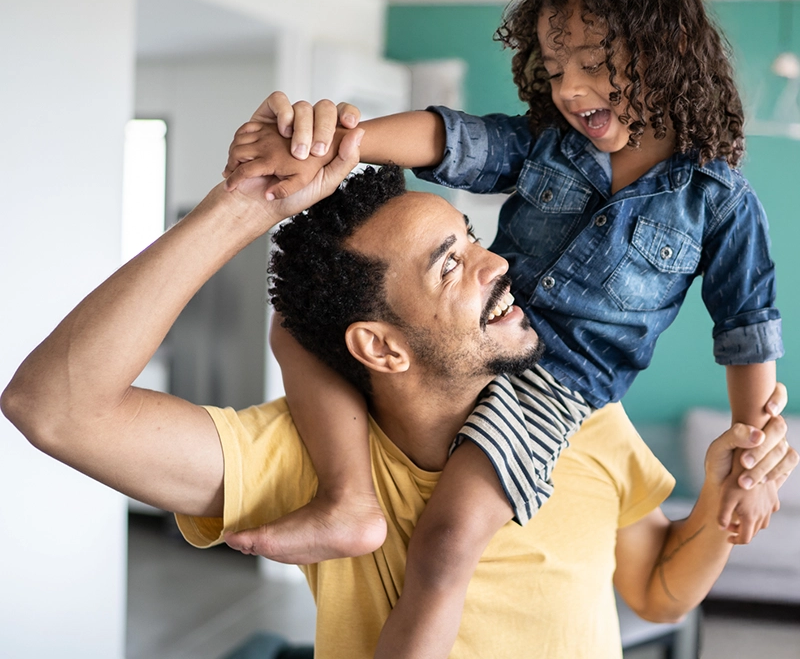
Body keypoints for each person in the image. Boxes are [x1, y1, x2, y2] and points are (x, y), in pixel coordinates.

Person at [222, 0, 785, 657]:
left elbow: (748, 329)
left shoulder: (719, 200)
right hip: (479, 336)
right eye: (554, 70)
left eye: (592, 63)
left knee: (447, 541)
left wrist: (748, 453)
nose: (570, 90)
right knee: (300, 324)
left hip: (552, 387)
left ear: (663, 50)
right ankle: (348, 498)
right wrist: (346, 144)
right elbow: (450, 139)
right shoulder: (550, 144)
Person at [1, 157, 795, 659]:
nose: (499, 263)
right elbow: (53, 408)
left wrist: (720, 507)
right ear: (381, 348)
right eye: (452, 266)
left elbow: (658, 593)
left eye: (472, 237)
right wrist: (244, 206)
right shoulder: (296, 458)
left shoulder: (581, 417)